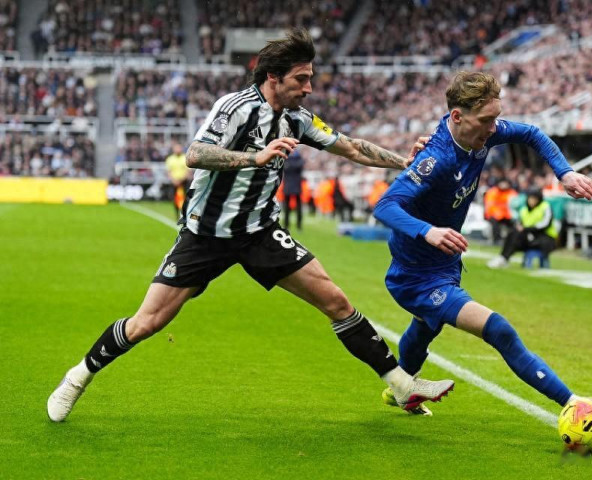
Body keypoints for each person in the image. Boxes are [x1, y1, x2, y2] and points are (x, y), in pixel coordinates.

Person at [47, 28, 453, 422]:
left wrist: (404, 162)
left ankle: (401, 385)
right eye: (301, 79)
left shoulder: (297, 118)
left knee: (336, 302)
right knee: (147, 323)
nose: (309, 88)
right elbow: (196, 154)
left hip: (260, 232)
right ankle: (78, 377)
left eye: (310, 77)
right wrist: (254, 157)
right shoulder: (236, 107)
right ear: (273, 77)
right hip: (206, 235)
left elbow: (350, 147)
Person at [373, 71, 592, 417]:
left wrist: (565, 172)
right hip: (416, 277)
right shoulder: (436, 159)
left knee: (426, 325)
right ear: (457, 117)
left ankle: (400, 387)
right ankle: (574, 406)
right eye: (486, 120)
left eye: (496, 118)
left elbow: (532, 133)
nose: (494, 128)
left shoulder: (481, 134)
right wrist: (428, 231)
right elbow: (385, 206)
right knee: (498, 329)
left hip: (444, 264)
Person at [486, 187, 557, 269]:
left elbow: (545, 224)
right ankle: (503, 257)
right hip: (530, 236)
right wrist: (520, 227)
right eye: (531, 198)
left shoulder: (545, 207)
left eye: (535, 199)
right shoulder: (524, 209)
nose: (532, 201)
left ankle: (504, 258)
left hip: (546, 238)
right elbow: (521, 223)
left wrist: (526, 229)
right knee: (513, 233)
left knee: (517, 234)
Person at [483, 177, 517, 244]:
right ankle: (496, 240)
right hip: (493, 214)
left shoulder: (512, 193)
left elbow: (515, 204)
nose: (504, 185)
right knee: (495, 223)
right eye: (502, 183)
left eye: (506, 184)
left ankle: (512, 240)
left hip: (507, 215)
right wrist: (498, 213)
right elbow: (489, 206)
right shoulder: (492, 192)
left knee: (514, 224)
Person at [165, 142, 191, 219]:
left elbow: (188, 171)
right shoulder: (170, 159)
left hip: (184, 182)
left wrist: (181, 180)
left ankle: (185, 213)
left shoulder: (185, 158)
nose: (178, 150)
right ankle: (177, 214)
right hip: (174, 182)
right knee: (175, 199)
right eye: (176, 148)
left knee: (186, 198)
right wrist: (174, 180)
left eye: (179, 148)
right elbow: (169, 172)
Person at [282, 149, 304, 231]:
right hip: (293, 185)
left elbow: (286, 167)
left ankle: (292, 225)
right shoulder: (298, 160)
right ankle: (295, 225)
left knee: (292, 207)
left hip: (291, 185)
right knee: (291, 207)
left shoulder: (287, 159)